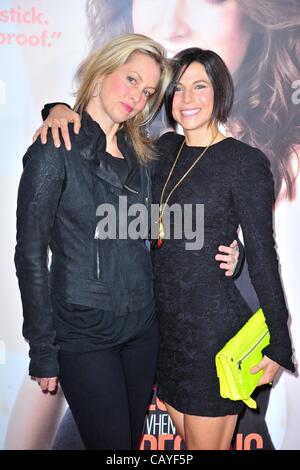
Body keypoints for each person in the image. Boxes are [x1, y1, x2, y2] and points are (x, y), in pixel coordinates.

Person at [14, 33, 239, 450]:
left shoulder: (146, 156)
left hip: (143, 331)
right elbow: (28, 255)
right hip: (84, 332)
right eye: (131, 79)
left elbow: (188, 203)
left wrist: (234, 244)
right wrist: (42, 348)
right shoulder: (54, 147)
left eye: (149, 90)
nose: (138, 97)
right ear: (101, 71)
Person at [151, 47, 295, 450]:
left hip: (212, 333)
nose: (187, 99)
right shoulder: (162, 152)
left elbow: (265, 253)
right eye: (178, 89)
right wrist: (58, 109)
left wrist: (279, 343)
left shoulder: (243, 162)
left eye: (200, 86)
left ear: (220, 93)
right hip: (167, 335)